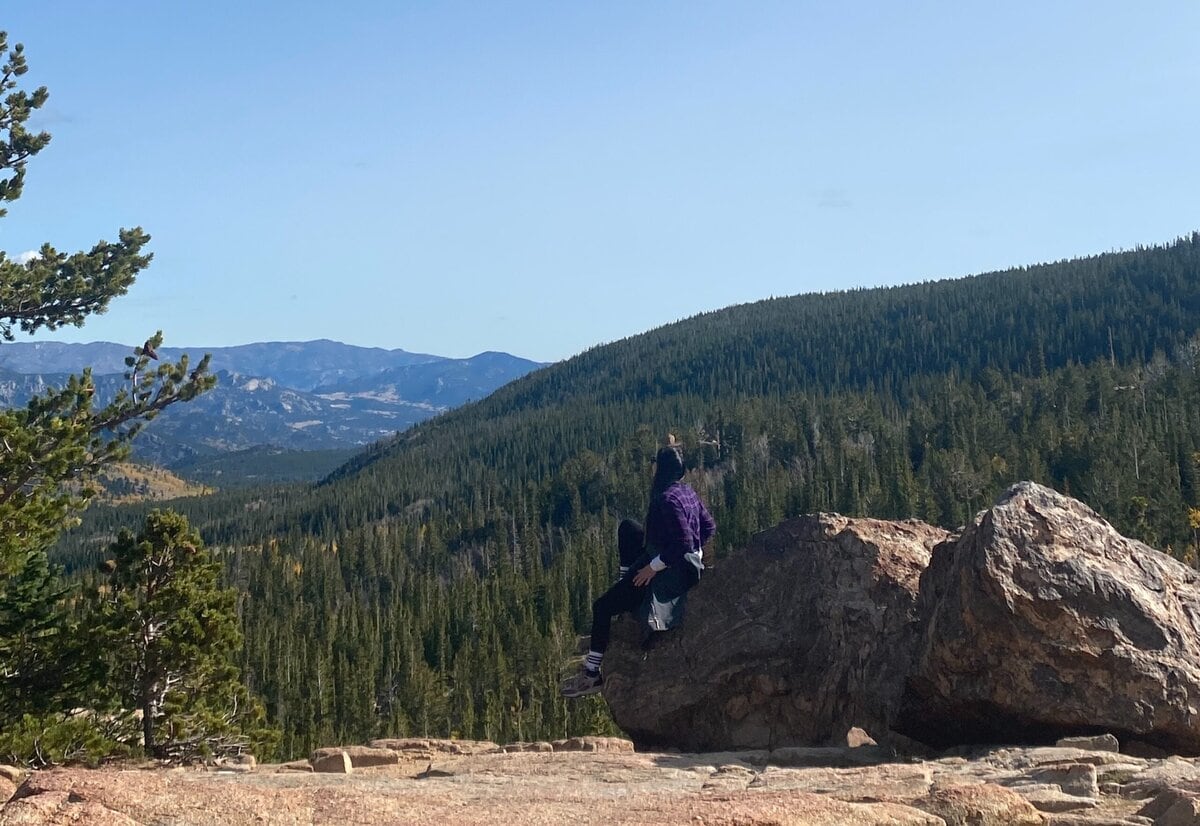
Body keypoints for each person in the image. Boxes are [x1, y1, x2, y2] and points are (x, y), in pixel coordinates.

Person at [561, 443, 716, 698]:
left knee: (602, 607)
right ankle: (626, 583)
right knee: (628, 528)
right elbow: (708, 527)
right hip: (675, 563)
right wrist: (697, 556)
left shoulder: (666, 499)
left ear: (660, 469)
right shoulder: (687, 492)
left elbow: (683, 543)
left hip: (667, 573)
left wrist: (653, 568)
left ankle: (591, 675)